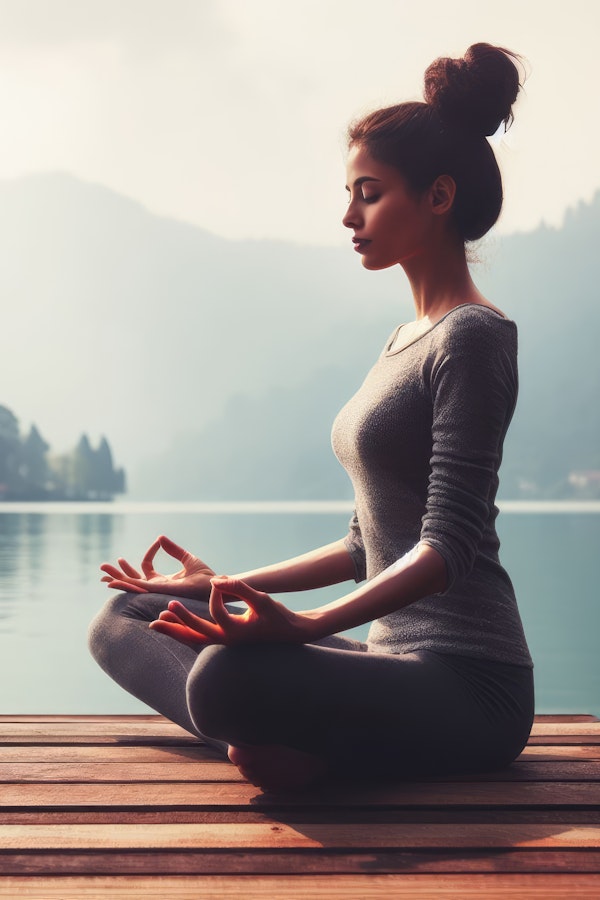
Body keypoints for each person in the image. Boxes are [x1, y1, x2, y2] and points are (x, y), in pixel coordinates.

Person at [89, 42, 534, 792]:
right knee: (130, 613)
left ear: (438, 196)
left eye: (369, 192)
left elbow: (445, 548)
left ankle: (292, 740)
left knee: (225, 677)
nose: (348, 215)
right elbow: (365, 544)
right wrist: (218, 585)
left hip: (472, 684)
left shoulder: (474, 336)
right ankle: (285, 742)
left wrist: (305, 626)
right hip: (391, 665)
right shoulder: (402, 343)